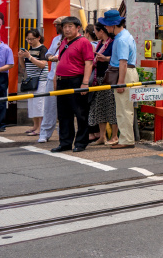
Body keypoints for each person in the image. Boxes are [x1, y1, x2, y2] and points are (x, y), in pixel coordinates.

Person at [49, 16, 94, 152]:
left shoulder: (84, 42)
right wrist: (56, 79)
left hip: (76, 79)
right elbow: (60, 61)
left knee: (80, 113)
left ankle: (81, 142)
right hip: (62, 80)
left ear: (77, 28)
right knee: (63, 114)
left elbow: (89, 63)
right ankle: (65, 142)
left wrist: (85, 83)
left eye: (70, 27)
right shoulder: (63, 42)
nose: (67, 30)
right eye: (65, 27)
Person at [97, 9, 137, 149]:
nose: (106, 28)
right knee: (125, 108)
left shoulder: (120, 40)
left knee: (123, 109)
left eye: (107, 26)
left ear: (113, 25)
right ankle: (126, 138)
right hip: (128, 72)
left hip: (123, 74)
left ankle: (126, 140)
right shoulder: (126, 35)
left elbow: (123, 62)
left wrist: (121, 83)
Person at [86, 25, 117, 145]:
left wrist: (105, 58)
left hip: (109, 77)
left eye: (95, 31)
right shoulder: (99, 44)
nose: (94, 33)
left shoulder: (113, 43)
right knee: (99, 107)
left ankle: (114, 136)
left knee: (111, 107)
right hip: (98, 78)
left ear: (101, 31)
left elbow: (117, 58)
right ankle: (102, 136)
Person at [38, 17, 66, 143]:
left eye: (57, 25)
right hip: (52, 75)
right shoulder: (56, 39)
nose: (55, 28)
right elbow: (47, 54)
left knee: (64, 108)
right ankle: (44, 133)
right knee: (49, 107)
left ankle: (64, 134)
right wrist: (51, 57)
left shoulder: (75, 40)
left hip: (66, 76)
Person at [18, 29, 49, 136]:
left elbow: (42, 64)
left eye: (32, 39)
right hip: (32, 79)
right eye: (28, 39)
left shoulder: (43, 49)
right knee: (32, 103)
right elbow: (23, 67)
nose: (30, 41)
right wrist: (21, 57)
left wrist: (29, 57)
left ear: (38, 38)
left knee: (39, 103)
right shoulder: (30, 50)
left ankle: (40, 128)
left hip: (41, 80)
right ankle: (35, 126)